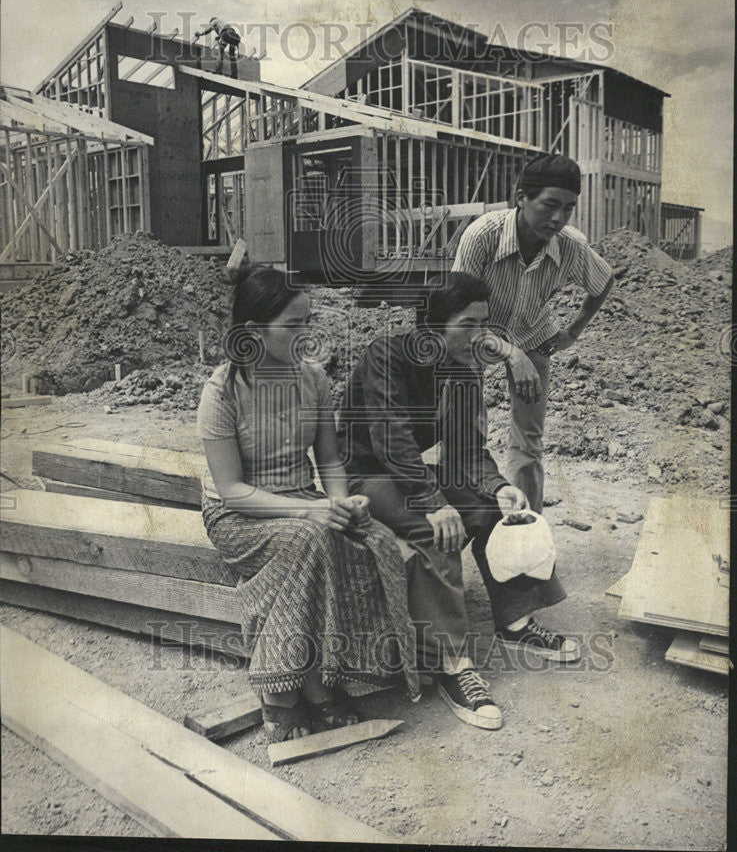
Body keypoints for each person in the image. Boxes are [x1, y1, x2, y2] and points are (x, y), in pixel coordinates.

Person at [337, 272, 578, 732]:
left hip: (404, 473)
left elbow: (467, 450)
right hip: (362, 473)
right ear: (432, 328)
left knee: (492, 511)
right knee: (437, 529)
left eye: (484, 324)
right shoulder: (386, 354)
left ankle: (514, 623)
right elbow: (392, 439)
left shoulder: (463, 369)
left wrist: (497, 487)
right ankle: (452, 665)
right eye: (469, 323)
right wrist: (431, 501)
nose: (481, 335)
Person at [197, 265, 419, 742]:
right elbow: (232, 489)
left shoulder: (313, 379)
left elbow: (331, 462)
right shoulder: (221, 391)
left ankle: (333, 673)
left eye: (307, 321)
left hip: (304, 500)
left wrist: (341, 504)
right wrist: (313, 512)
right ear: (254, 332)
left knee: (375, 539)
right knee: (311, 537)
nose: (306, 334)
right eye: (293, 325)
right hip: (238, 515)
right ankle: (284, 692)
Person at [452, 154, 614, 514]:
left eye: (569, 209)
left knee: (529, 441)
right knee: (468, 432)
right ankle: (478, 520)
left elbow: (604, 281)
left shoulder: (570, 246)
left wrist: (572, 331)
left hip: (534, 333)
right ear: (521, 197)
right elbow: (459, 316)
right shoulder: (483, 236)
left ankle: (527, 525)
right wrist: (511, 353)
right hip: (476, 337)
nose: (558, 219)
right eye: (550, 205)